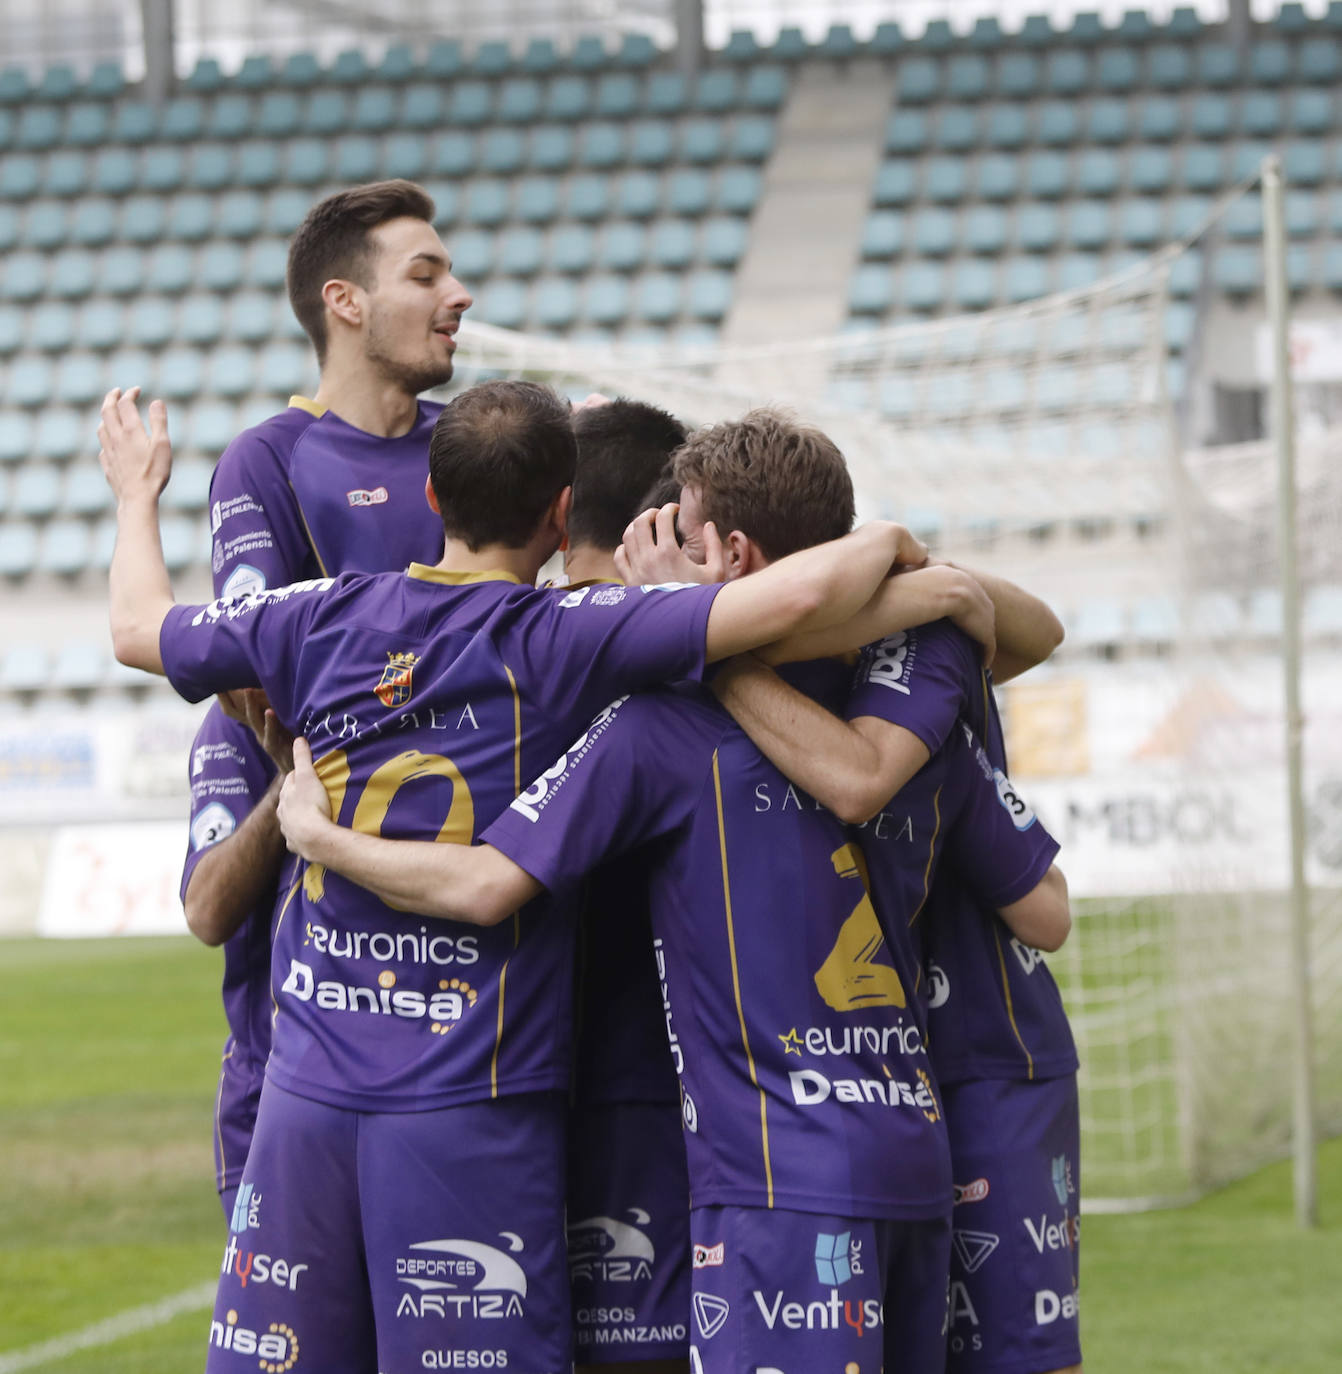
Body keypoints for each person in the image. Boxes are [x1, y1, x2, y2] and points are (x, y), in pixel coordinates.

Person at [99, 379, 956, 1374]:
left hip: (306, 1093)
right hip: (471, 1098)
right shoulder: (570, 637)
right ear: (561, 515)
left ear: (431, 495)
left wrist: (137, 495)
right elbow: (796, 600)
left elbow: (135, 629)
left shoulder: (313, 613)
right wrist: (910, 557)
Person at [274, 410, 1069, 1374]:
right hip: (912, 1149)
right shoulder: (918, 678)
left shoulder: (658, 723)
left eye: (678, 535)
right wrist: (931, 578)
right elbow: (1046, 905)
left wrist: (321, 839)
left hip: (770, 1181)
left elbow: (485, 884)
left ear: (727, 555)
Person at [657, 439, 1083, 1374]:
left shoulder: (915, 635)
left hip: (982, 1047)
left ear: (735, 551)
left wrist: (699, 638)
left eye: (684, 541)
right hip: (877, 1080)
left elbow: (866, 775)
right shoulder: (867, 618)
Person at [178, 178, 472, 1222]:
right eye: (426, 274)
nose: (459, 296)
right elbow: (249, 663)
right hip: (303, 1029)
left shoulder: (474, 447)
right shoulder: (269, 459)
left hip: (474, 1025)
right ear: (345, 302)